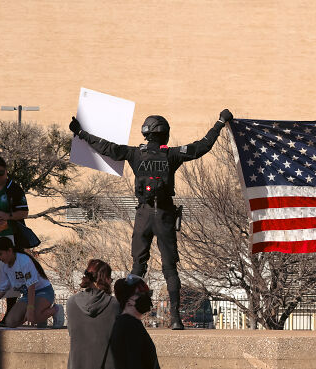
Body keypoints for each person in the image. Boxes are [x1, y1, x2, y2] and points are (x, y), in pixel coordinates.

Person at [69, 109, 233, 329]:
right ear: (164, 134)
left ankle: (123, 313)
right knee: (169, 268)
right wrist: (220, 123)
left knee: (138, 266)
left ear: (146, 134)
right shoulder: (172, 154)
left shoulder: (135, 154)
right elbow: (202, 146)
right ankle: (175, 318)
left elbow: (106, 147)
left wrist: (81, 132)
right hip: (164, 215)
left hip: (143, 214)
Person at [0, 156, 29, 324]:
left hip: (9, 238)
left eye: (0, 173)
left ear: (6, 170)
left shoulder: (13, 189)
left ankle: (10, 310)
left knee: (11, 274)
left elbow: (24, 212)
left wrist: (8, 216)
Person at [0, 236, 63, 328]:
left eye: (0, 254)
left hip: (43, 292)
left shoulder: (24, 261)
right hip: (27, 295)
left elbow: (31, 285)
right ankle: (41, 315)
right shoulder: (5, 268)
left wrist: (30, 308)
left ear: (9, 251)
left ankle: (55, 310)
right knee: (10, 322)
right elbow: (1, 291)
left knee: (33, 316)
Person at [67, 259, 120, 369]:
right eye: (110, 279)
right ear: (105, 279)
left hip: (77, 364)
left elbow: (72, 333)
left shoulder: (71, 303)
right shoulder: (114, 305)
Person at [108, 274, 159, 369]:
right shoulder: (128, 326)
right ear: (129, 301)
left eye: (147, 294)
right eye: (141, 294)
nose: (146, 298)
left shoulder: (131, 323)